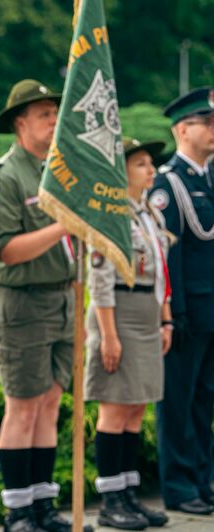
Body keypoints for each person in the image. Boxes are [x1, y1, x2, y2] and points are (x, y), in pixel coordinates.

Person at [0, 79, 90, 532]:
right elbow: (4, 250)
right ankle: (17, 510)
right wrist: (64, 225)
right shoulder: (6, 177)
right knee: (22, 405)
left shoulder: (59, 171)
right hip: (21, 302)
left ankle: (43, 504)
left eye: (54, 113)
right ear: (21, 123)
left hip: (62, 298)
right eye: (45, 114)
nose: (53, 122)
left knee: (49, 402)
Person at [86, 137, 173, 530]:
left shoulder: (148, 214)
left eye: (150, 164)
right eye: (141, 164)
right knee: (115, 405)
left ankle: (129, 493)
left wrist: (164, 319)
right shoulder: (111, 214)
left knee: (137, 405)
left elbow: (160, 274)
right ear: (120, 171)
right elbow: (99, 278)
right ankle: (110, 498)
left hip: (146, 312)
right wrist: (109, 334)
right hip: (117, 312)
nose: (151, 170)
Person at [148, 87, 214, 516]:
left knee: (204, 401)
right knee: (177, 403)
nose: (213, 130)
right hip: (187, 313)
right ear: (182, 129)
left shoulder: (209, 179)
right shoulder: (167, 183)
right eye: (206, 123)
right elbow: (166, 254)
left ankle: (202, 481)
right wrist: (175, 315)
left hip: (211, 315)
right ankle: (178, 485)